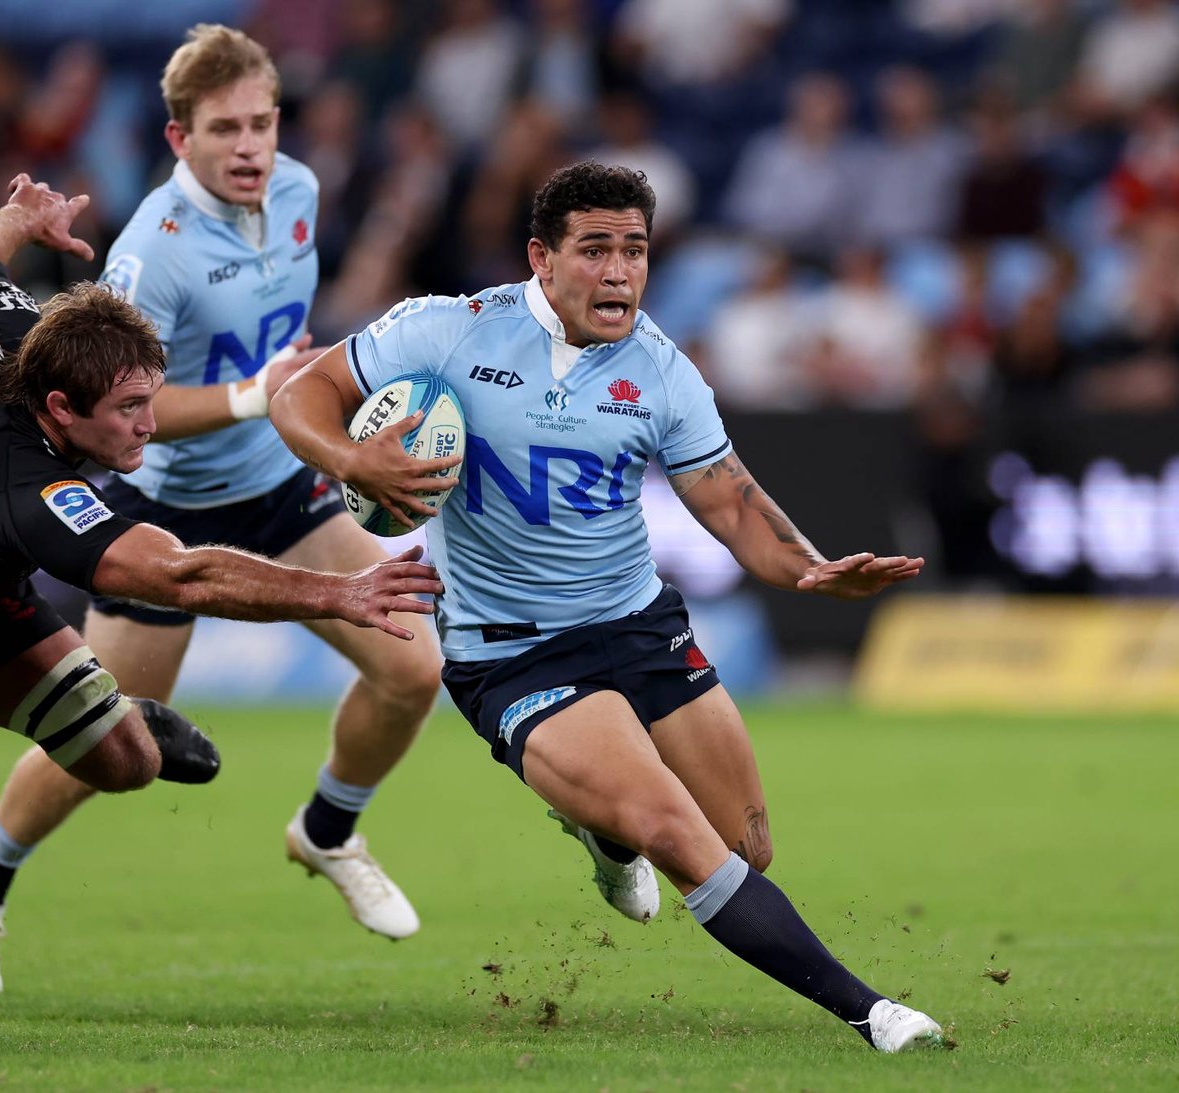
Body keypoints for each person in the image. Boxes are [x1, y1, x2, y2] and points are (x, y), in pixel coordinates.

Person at [268, 160, 947, 1053]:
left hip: (639, 626)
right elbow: (299, 394)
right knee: (674, 829)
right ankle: (873, 1011)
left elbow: (733, 503)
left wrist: (812, 570)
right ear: (541, 260)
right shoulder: (449, 330)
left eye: (635, 249)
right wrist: (355, 464)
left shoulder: (662, 369)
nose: (620, 270)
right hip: (514, 654)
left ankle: (603, 837)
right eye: (596, 250)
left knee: (746, 849)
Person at [0, 174, 442, 1019]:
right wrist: (341, 591)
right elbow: (181, 573)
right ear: (64, 409)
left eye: (152, 396)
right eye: (131, 410)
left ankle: (123, 719)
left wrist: (19, 218)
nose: (150, 425)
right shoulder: (23, 493)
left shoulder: (18, 338)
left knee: (126, 762)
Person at [0, 24, 443, 994]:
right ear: (178, 140)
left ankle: (327, 829)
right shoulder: (149, 255)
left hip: (279, 488)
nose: (250, 146)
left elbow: (284, 346)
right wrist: (255, 395)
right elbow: (128, 409)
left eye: (262, 122)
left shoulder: (299, 190)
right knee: (103, 741)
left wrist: (315, 414)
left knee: (414, 665)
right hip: (161, 509)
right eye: (224, 130)